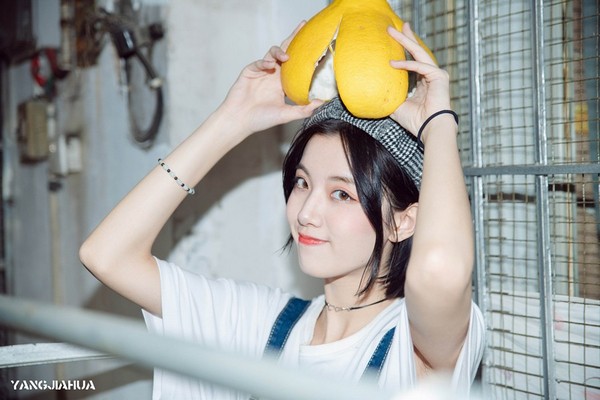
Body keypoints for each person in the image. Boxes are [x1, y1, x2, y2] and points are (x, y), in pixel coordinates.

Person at [79, 21, 485, 399]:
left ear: (403, 220)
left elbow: (440, 269)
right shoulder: (258, 323)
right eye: (303, 183)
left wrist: (438, 125)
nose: (306, 212)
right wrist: (231, 120)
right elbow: (106, 255)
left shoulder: (413, 346)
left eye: (341, 194)